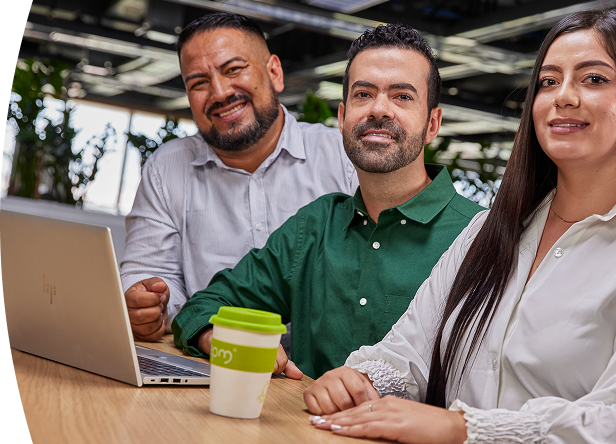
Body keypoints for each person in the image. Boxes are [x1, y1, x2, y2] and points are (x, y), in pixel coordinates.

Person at [304, 10, 616, 444]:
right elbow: (408, 351)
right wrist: (358, 381)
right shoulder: (488, 230)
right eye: (547, 81)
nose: (563, 96)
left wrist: (462, 428)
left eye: (594, 79)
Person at [171, 24, 485, 380]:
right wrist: (223, 337)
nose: (379, 109)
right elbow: (204, 307)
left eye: (402, 97)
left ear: (432, 123)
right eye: (363, 94)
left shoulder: (479, 237)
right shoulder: (315, 227)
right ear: (341, 117)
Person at [120, 13, 358, 345]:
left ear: (274, 72)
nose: (219, 92)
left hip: (321, 372)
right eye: (198, 82)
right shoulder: (168, 168)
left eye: (234, 69)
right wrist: (147, 304)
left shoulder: (344, 158)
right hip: (213, 357)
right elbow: (148, 273)